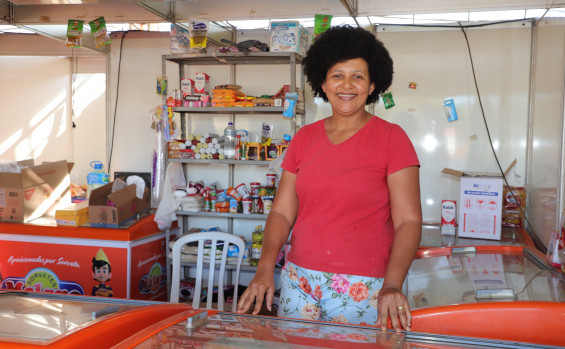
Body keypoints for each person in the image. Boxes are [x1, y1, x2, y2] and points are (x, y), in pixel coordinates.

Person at [237, 25, 421, 333]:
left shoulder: (393, 139)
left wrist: (392, 285)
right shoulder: (304, 139)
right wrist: (265, 269)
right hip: (298, 280)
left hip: (364, 286)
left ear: (373, 84)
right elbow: (282, 212)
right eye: (337, 75)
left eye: (358, 76)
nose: (346, 85)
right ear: (323, 81)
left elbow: (408, 222)